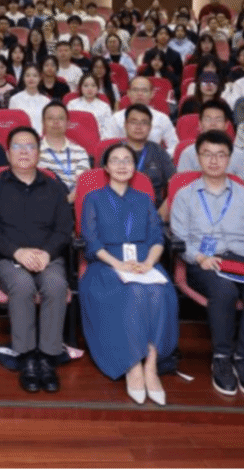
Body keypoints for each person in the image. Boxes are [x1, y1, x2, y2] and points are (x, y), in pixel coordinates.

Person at [169, 130, 244, 397]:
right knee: (224, 290)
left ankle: (243, 357)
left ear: (230, 159)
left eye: (221, 155)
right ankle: (222, 357)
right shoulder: (184, 195)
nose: (214, 161)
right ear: (198, 158)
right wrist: (199, 257)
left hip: (241, 259)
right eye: (207, 154)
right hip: (205, 261)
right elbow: (179, 237)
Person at [80, 142, 178, 406]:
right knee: (133, 291)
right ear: (106, 167)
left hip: (144, 262)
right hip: (106, 264)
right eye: (116, 160)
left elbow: (157, 238)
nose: (122, 165)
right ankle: (133, 365)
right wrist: (119, 264)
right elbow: (91, 241)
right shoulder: (93, 198)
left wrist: (148, 263)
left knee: (159, 290)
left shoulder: (144, 199)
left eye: (128, 160)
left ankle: (151, 365)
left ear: (135, 167)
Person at [0, 126, 73, 394]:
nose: (24, 152)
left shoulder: (54, 187)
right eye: (17, 147)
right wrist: (17, 253)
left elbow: (64, 229)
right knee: (22, 286)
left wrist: (47, 253)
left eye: (30, 146)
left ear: (38, 153)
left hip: (47, 257)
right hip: (7, 258)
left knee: (55, 285)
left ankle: (48, 357)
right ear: (8, 153)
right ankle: (27, 356)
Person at [176, 100, 244, 182]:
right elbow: (182, 185)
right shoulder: (188, 154)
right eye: (208, 119)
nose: (213, 124)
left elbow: (242, 186)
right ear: (200, 124)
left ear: (226, 125)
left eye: (218, 120)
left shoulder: (239, 155)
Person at [120, 103, 176, 208]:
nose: (138, 127)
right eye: (133, 122)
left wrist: (162, 212)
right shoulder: (113, 152)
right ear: (125, 125)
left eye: (144, 123)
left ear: (150, 127)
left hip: (153, 210)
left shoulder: (158, 151)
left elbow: (174, 184)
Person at [36, 102, 91, 203]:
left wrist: (66, 201)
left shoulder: (80, 151)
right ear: (43, 123)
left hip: (76, 203)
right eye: (50, 118)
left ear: (68, 123)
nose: (56, 122)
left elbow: (83, 183)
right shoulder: (34, 151)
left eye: (61, 118)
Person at [110, 76, 180, 154]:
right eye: (135, 90)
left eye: (144, 90)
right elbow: (107, 144)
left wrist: (160, 157)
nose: (139, 94)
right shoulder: (116, 118)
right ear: (128, 93)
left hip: (153, 158)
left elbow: (175, 145)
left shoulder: (162, 118)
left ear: (152, 94)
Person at [67, 73, 116, 139]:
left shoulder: (105, 107)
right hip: (75, 139)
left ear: (98, 88)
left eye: (93, 85)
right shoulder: (72, 104)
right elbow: (68, 126)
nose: (89, 89)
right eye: (86, 86)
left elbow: (109, 130)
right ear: (80, 87)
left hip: (99, 140)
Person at [9, 65, 51, 131]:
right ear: (23, 78)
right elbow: (12, 124)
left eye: (35, 76)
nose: (31, 79)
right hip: (21, 135)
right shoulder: (14, 99)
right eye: (28, 75)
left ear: (40, 78)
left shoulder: (46, 101)